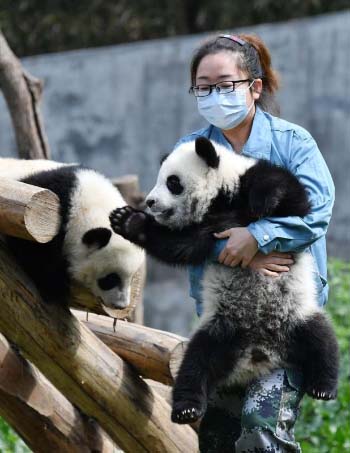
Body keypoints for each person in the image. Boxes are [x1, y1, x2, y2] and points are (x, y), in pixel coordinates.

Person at [174, 33, 335, 452]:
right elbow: (175, 225)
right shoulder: (188, 152)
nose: (214, 94)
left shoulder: (292, 144)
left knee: (262, 430)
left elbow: (317, 210)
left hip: (286, 321)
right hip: (225, 323)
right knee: (218, 440)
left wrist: (259, 237)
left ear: (255, 87)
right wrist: (239, 254)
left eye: (225, 84)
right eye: (203, 87)